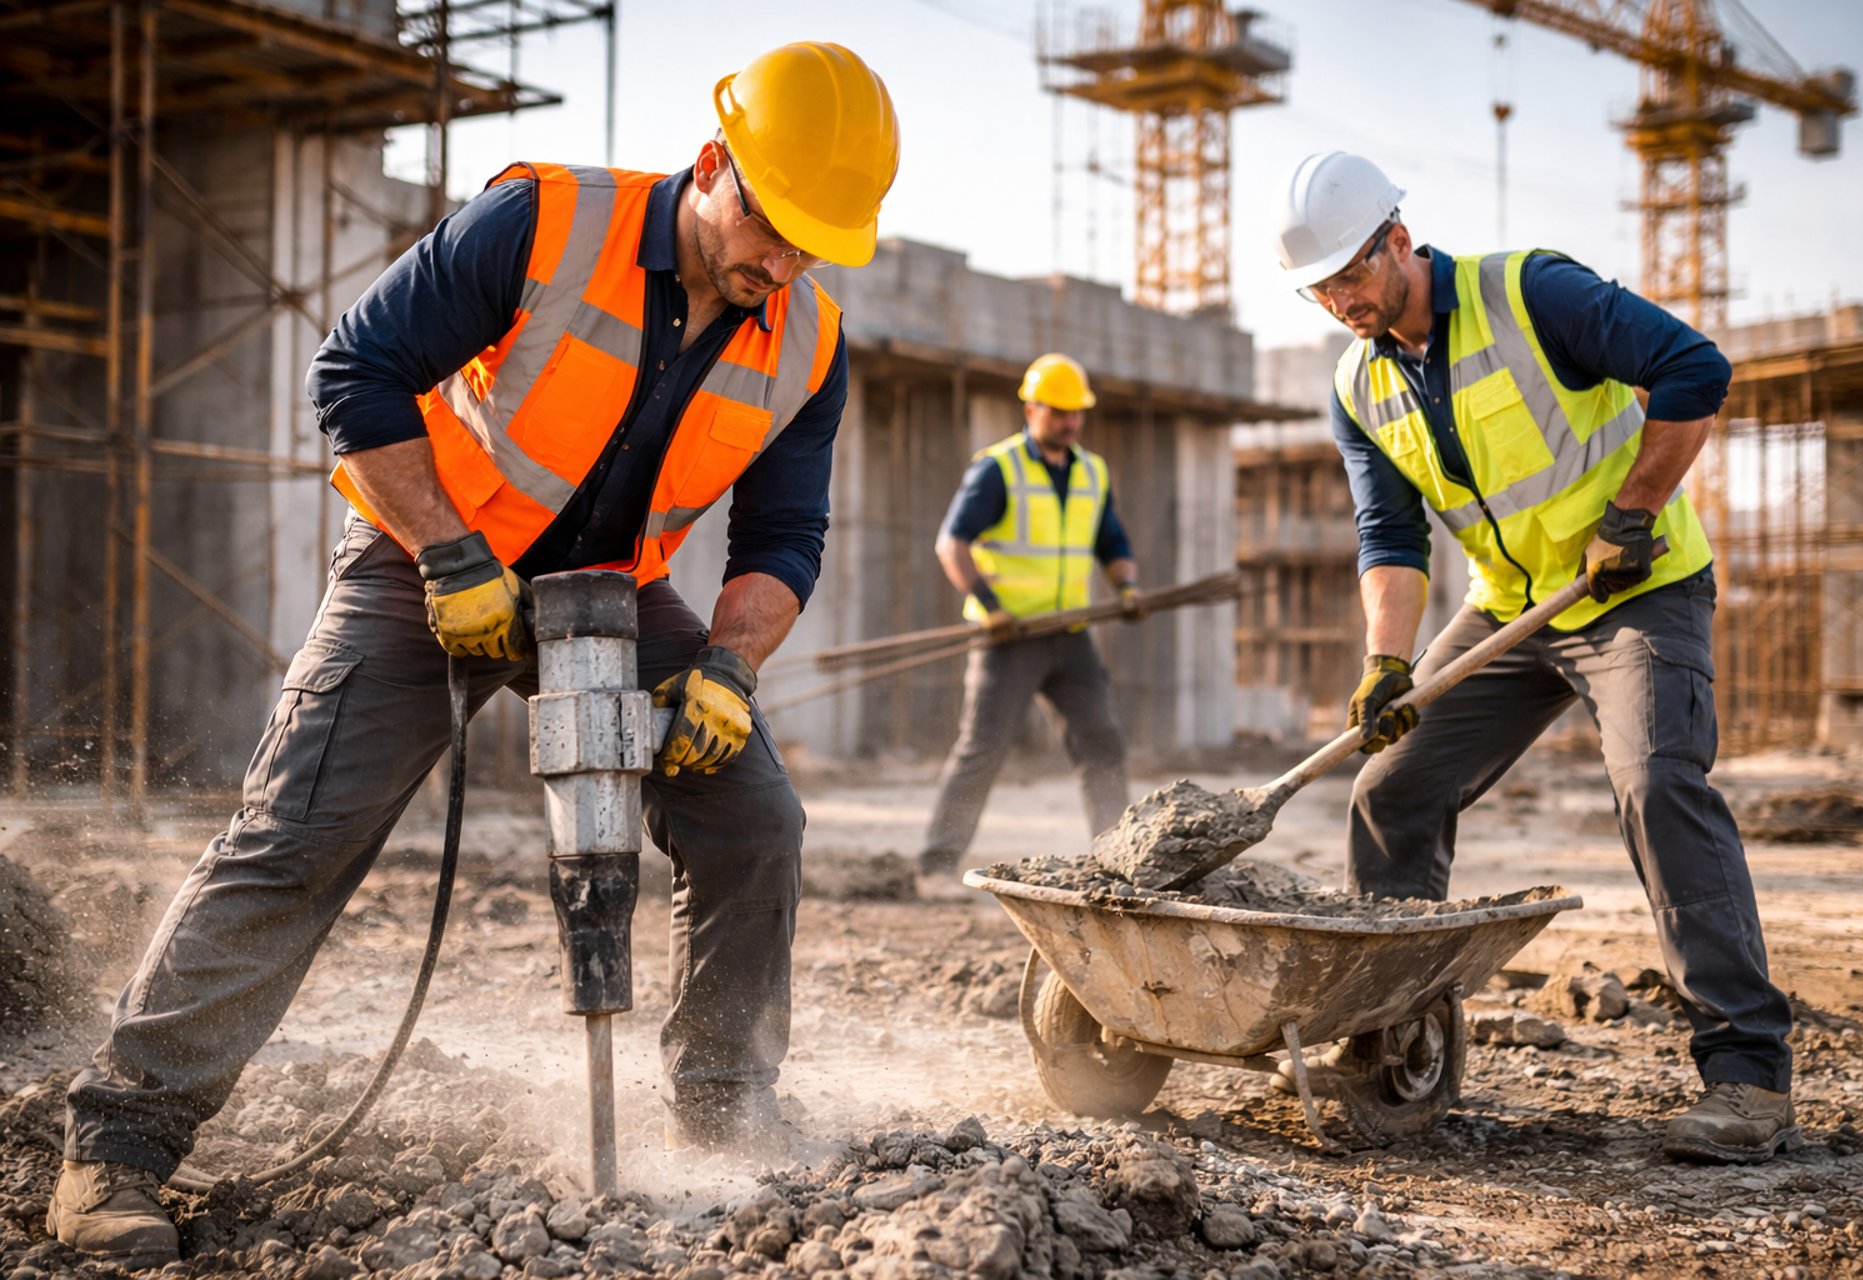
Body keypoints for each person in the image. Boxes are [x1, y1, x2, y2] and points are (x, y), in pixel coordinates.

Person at [49, 42, 900, 1267]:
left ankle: (725, 1103)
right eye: (773, 228)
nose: (783, 265)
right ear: (715, 163)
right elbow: (355, 371)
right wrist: (450, 557)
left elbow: (785, 533)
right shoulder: (543, 222)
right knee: (296, 837)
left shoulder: (806, 344)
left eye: (814, 245)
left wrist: (729, 665)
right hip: (426, 562)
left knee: (755, 814)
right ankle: (119, 1143)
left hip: (618, 591)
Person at [1273, 151, 1795, 1164]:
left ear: (1397, 241)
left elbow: (1696, 367)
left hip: (1639, 591)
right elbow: (1389, 536)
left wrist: (1632, 511)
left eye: (1351, 273)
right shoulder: (1357, 383)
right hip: (1512, 609)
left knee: (1655, 782)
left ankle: (1746, 1073)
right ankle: (1399, 1041)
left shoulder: (1530, 293)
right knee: (1390, 791)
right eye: (1321, 287)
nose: (1341, 299)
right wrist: (1389, 664)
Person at [916, 353, 1142, 896]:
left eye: (1076, 413)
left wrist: (1127, 587)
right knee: (983, 748)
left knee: (1102, 744)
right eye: (1060, 412)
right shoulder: (998, 468)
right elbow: (952, 543)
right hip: (1009, 638)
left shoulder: (1092, 471)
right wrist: (988, 605)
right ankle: (935, 866)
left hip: (1069, 635)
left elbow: (1111, 541)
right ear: (1031, 407)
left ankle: (1121, 862)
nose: (1070, 422)